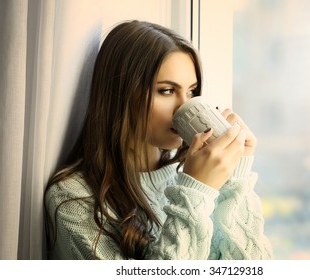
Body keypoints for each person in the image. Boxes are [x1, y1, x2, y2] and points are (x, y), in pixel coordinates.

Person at [44, 20, 273, 260]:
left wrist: (234, 176)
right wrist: (195, 191)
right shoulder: (73, 198)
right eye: (166, 91)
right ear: (121, 94)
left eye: (192, 91)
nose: (184, 106)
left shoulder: (196, 175)